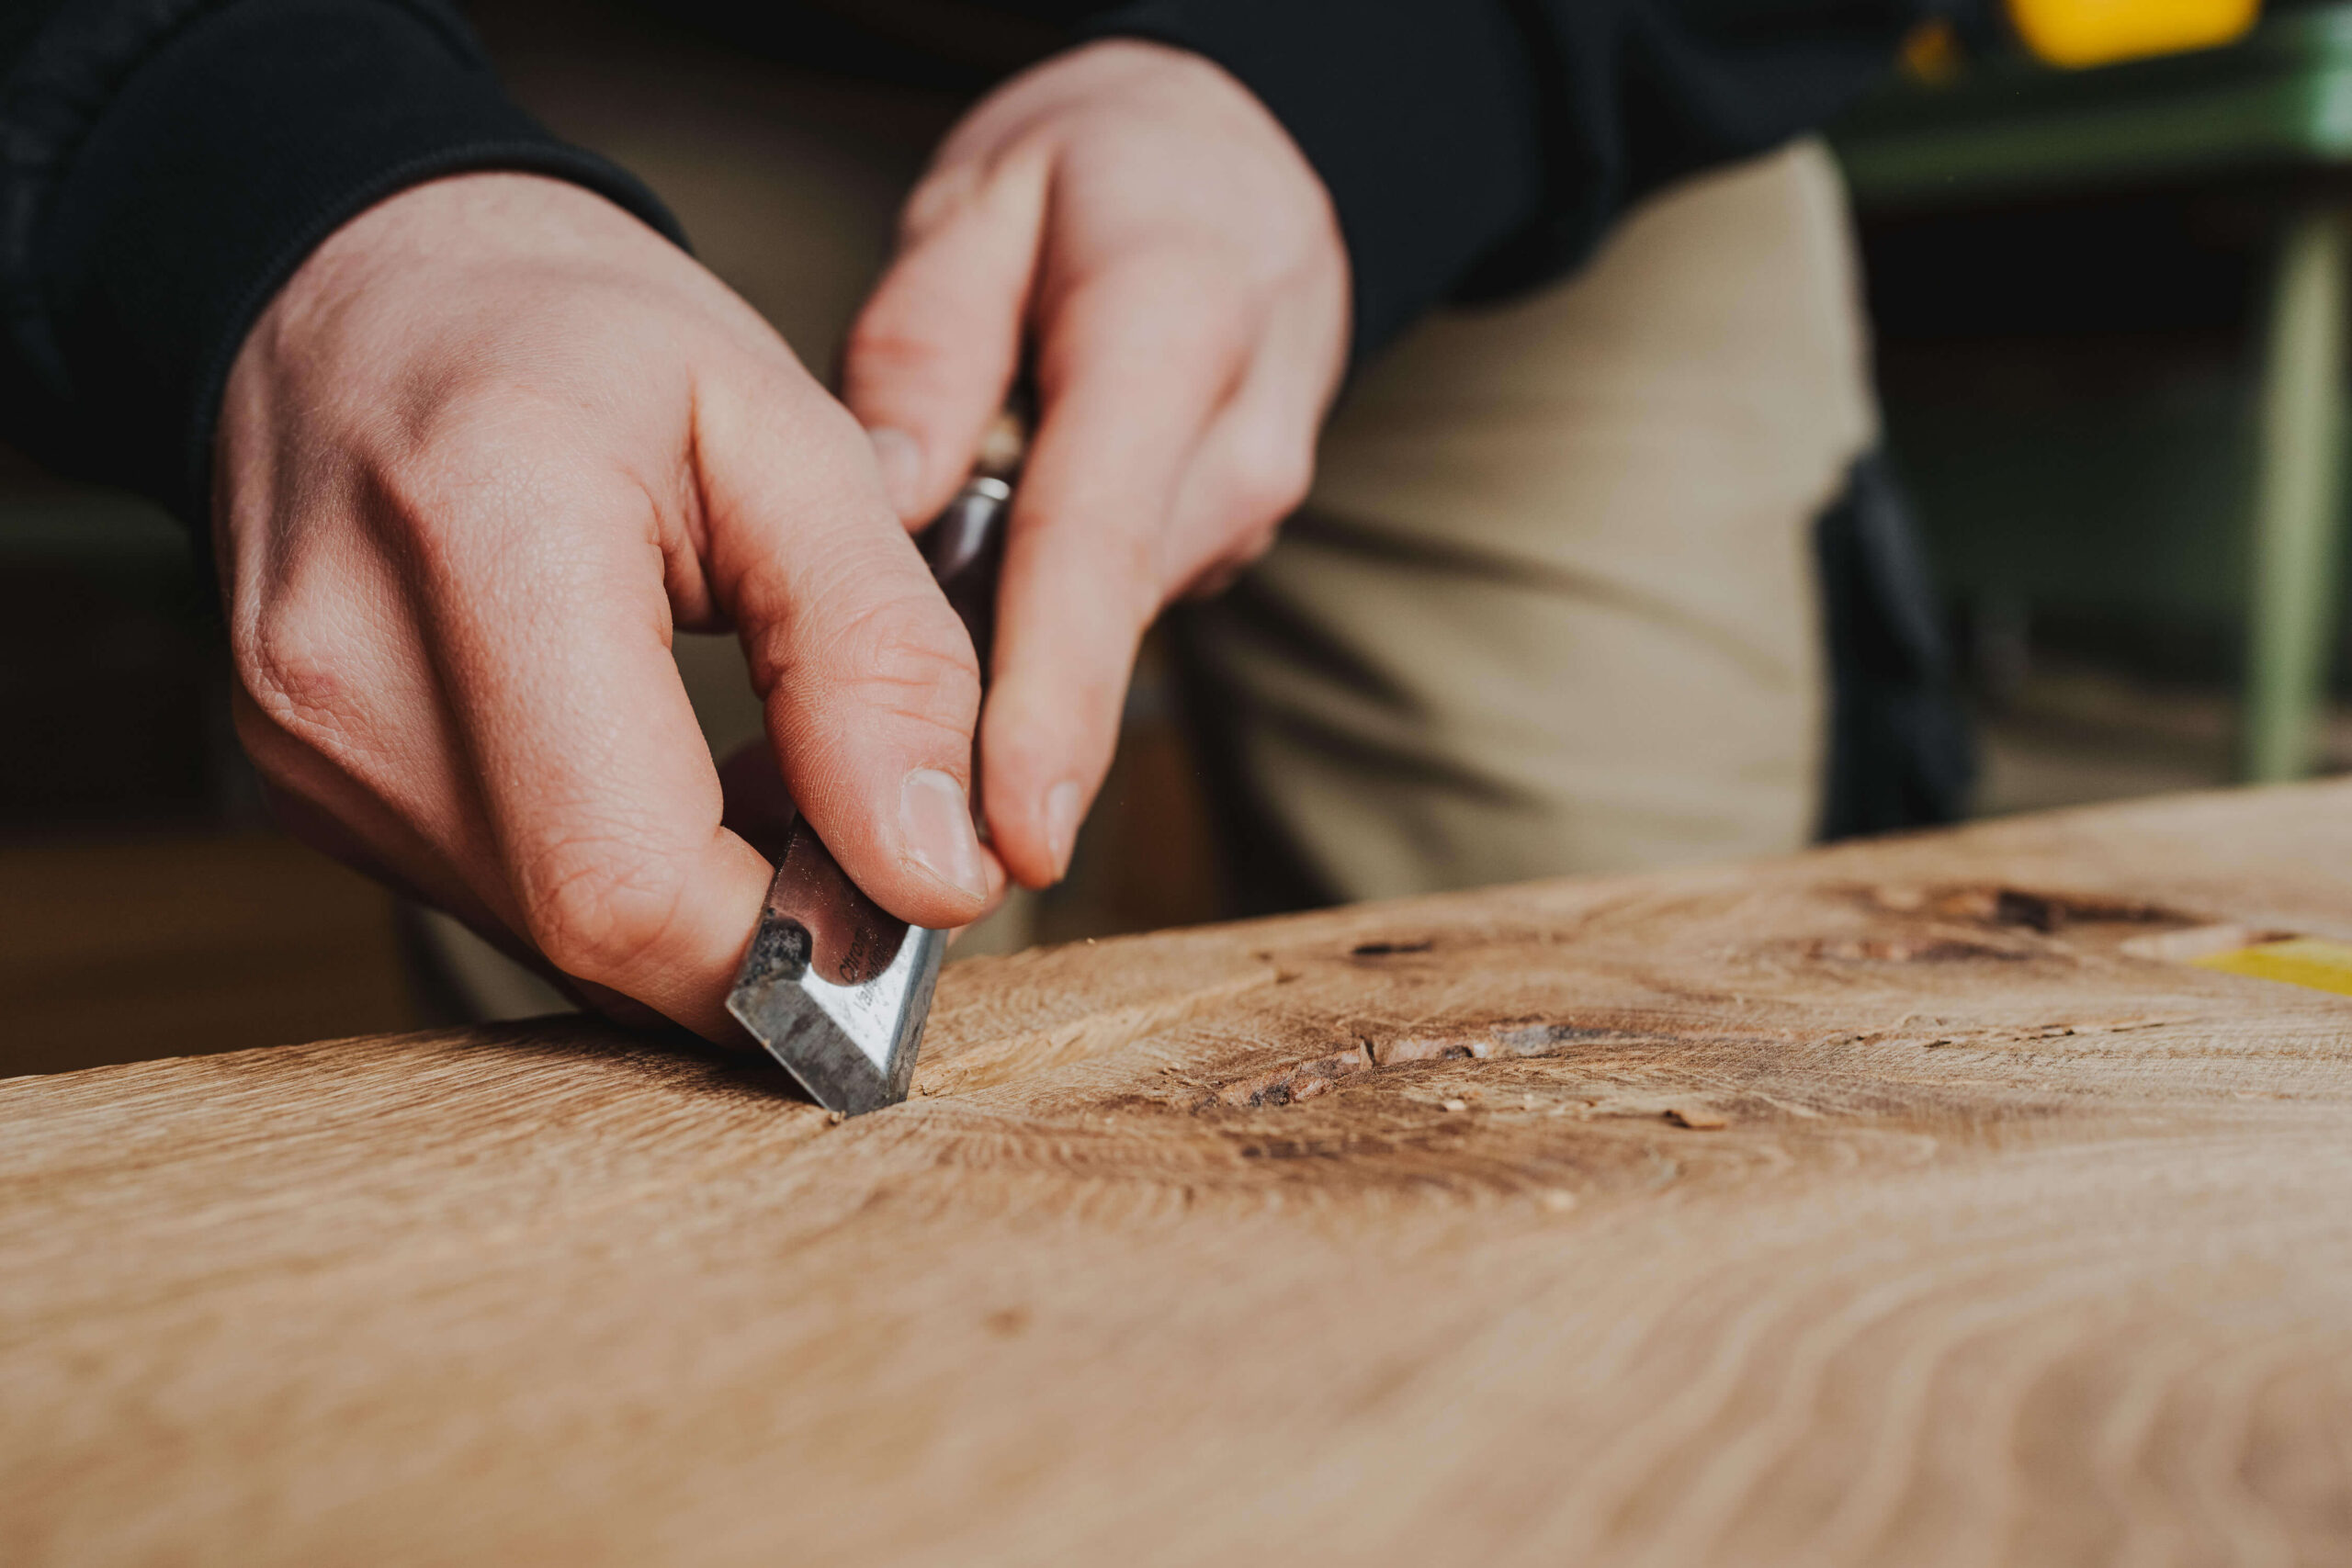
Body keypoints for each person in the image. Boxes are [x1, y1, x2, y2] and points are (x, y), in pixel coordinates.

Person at [0, 0, 1977, 1041]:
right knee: (604, 848)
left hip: (1568, 94)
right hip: (598, 72)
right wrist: (273, 163)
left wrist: (1381, 90)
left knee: (1627, 1026)